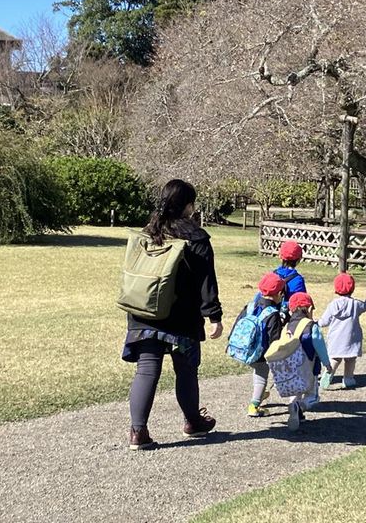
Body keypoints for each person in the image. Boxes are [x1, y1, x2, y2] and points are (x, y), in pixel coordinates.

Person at [121, 179, 223, 450]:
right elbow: (206, 281)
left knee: (147, 370)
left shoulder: (149, 231)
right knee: (186, 370)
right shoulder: (196, 237)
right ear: (188, 205)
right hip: (182, 318)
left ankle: (137, 432)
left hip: (144, 311)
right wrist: (214, 316)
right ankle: (193, 421)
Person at [234, 272, 286, 417]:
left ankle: (260, 394)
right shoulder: (273, 314)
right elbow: (274, 340)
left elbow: (238, 322)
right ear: (279, 293)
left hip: (244, 349)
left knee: (257, 374)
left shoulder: (250, 306)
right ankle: (254, 406)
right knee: (261, 376)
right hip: (261, 352)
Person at [284, 292, 332, 429]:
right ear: (310, 309)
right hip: (310, 368)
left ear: (290, 310)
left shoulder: (288, 326)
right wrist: (327, 364)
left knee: (296, 392)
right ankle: (299, 407)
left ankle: (295, 409)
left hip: (292, 368)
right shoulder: (312, 326)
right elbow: (319, 345)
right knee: (313, 396)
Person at [318, 273, 366, 389]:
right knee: (350, 360)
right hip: (351, 338)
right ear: (352, 288)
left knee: (334, 359)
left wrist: (316, 322)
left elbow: (324, 322)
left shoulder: (333, 305)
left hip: (335, 339)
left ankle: (328, 373)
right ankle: (348, 379)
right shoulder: (356, 304)